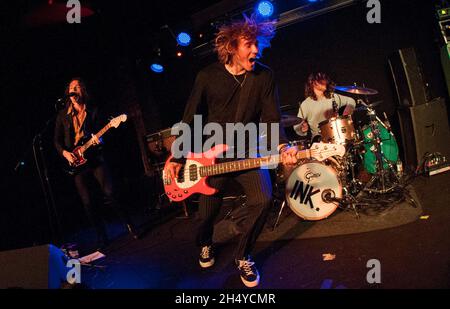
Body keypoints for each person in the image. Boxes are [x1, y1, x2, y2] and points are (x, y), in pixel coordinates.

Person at [164, 15, 298, 288]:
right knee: (206, 215)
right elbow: (190, 117)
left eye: (257, 44)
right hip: (210, 155)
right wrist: (178, 156)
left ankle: (244, 254)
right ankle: (205, 243)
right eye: (249, 44)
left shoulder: (264, 76)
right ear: (231, 47)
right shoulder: (207, 76)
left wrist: (283, 146)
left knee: (263, 199)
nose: (255, 50)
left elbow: (272, 119)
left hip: (249, 151)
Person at [54, 77, 139, 249]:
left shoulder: (93, 110)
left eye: (77, 87)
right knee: (87, 202)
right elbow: (56, 141)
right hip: (76, 162)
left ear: (82, 91)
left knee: (110, 192)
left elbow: (104, 133)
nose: (74, 90)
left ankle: (129, 224)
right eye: (71, 87)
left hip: (94, 158)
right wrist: (65, 154)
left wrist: (99, 141)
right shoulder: (62, 115)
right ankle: (102, 236)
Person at [294, 72, 356, 142]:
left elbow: (351, 101)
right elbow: (296, 126)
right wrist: (302, 129)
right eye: (322, 79)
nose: (325, 81)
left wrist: (347, 111)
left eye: (325, 79)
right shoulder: (305, 104)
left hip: (339, 136)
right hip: (320, 141)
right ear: (313, 82)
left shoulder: (333, 97)